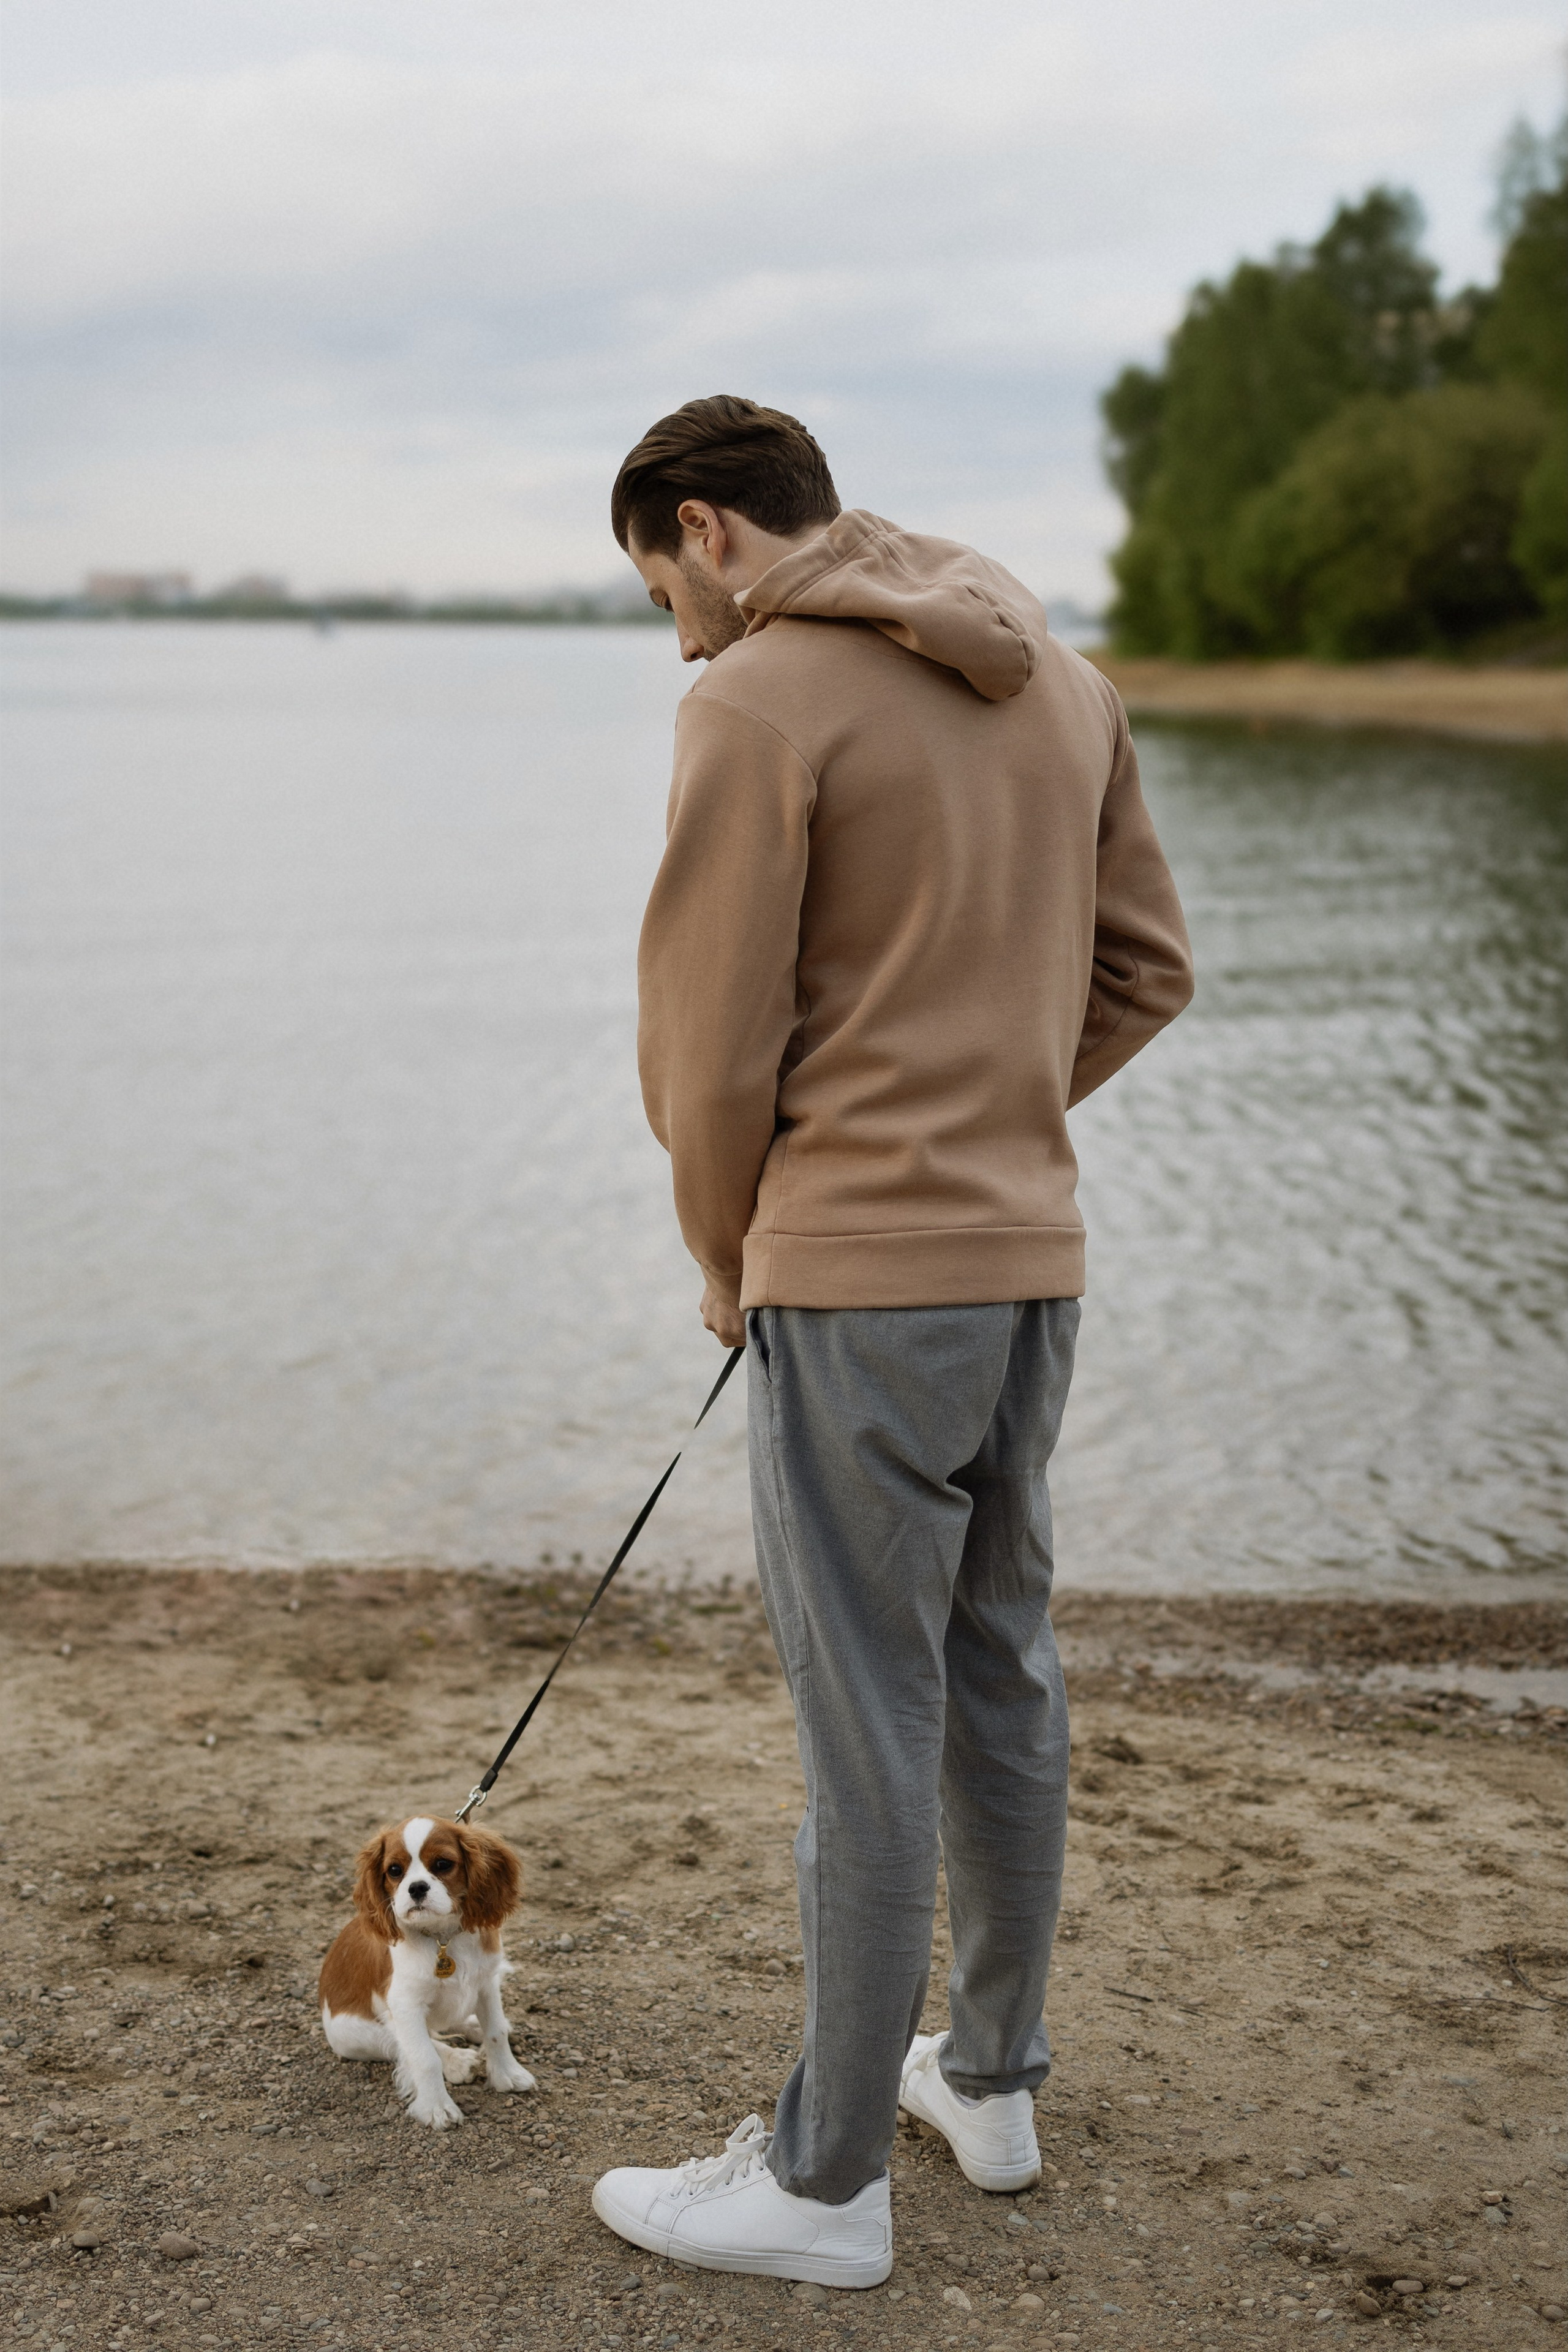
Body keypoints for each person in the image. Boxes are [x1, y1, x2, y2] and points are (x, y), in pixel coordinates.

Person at [591, 396, 1194, 2288]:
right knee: (999, 1670)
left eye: (662, 592)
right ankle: (990, 2082)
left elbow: (709, 1055)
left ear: (706, 528)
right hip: (1030, 1263)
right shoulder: (1068, 684)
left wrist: (732, 1250)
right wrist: (991, 1115)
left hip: (856, 1279)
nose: (677, 636)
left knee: (868, 1723)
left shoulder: (758, 702)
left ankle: (825, 2181)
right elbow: (1149, 971)